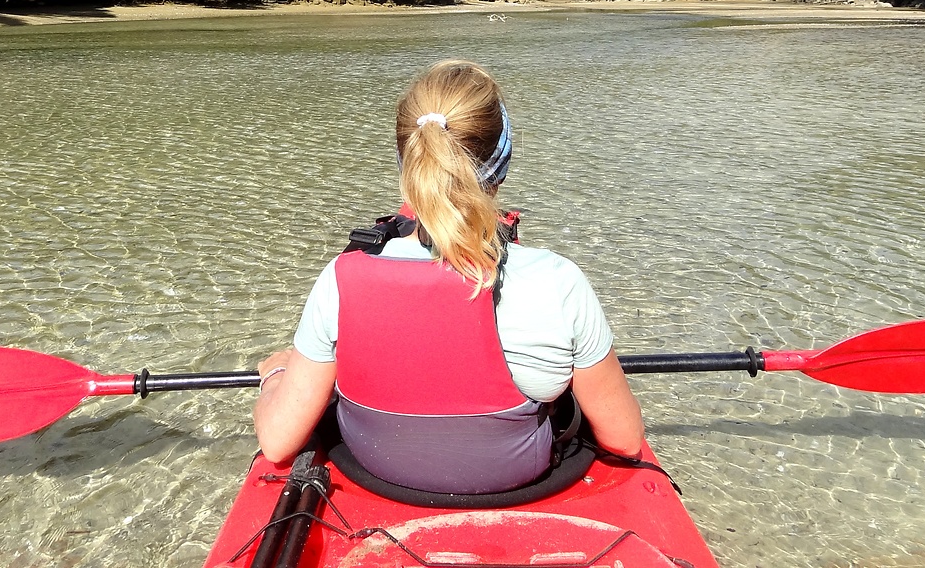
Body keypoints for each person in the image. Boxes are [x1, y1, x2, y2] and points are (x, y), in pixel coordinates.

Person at [253, 59, 644, 495]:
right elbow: (624, 439)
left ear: (407, 159)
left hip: (379, 472)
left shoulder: (340, 280)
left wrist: (276, 375)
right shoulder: (558, 282)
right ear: (503, 160)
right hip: (518, 476)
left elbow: (276, 442)